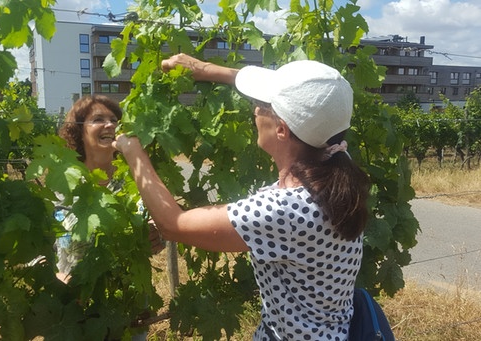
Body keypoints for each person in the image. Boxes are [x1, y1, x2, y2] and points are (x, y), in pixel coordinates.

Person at [113, 54, 371, 340]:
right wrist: (206, 69)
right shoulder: (336, 161)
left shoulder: (282, 210)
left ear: (282, 129)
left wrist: (132, 150)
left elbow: (173, 223)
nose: (255, 110)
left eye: (261, 105)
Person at [55, 95, 163, 341]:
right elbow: (37, 243)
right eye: (98, 119)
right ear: (78, 131)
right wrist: (54, 278)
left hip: (128, 308)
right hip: (74, 304)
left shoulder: (136, 181)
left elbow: (155, 231)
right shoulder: (63, 184)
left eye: (114, 120)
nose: (110, 125)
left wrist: (156, 237)